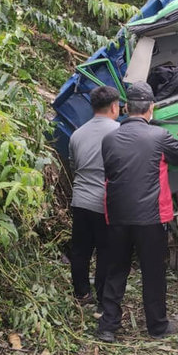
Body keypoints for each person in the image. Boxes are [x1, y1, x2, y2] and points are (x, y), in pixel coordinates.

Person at [96, 82, 178, 343]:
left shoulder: (109, 139)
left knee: (116, 269)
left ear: (127, 108)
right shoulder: (160, 137)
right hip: (151, 218)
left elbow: (110, 173)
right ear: (151, 108)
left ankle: (108, 326)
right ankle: (157, 327)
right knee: (153, 273)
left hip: (117, 216)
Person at [68, 85, 121, 317]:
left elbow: (73, 165)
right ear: (114, 106)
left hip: (80, 201)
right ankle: (102, 299)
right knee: (106, 252)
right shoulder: (119, 131)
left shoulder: (77, 134)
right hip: (105, 203)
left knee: (80, 250)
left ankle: (81, 294)